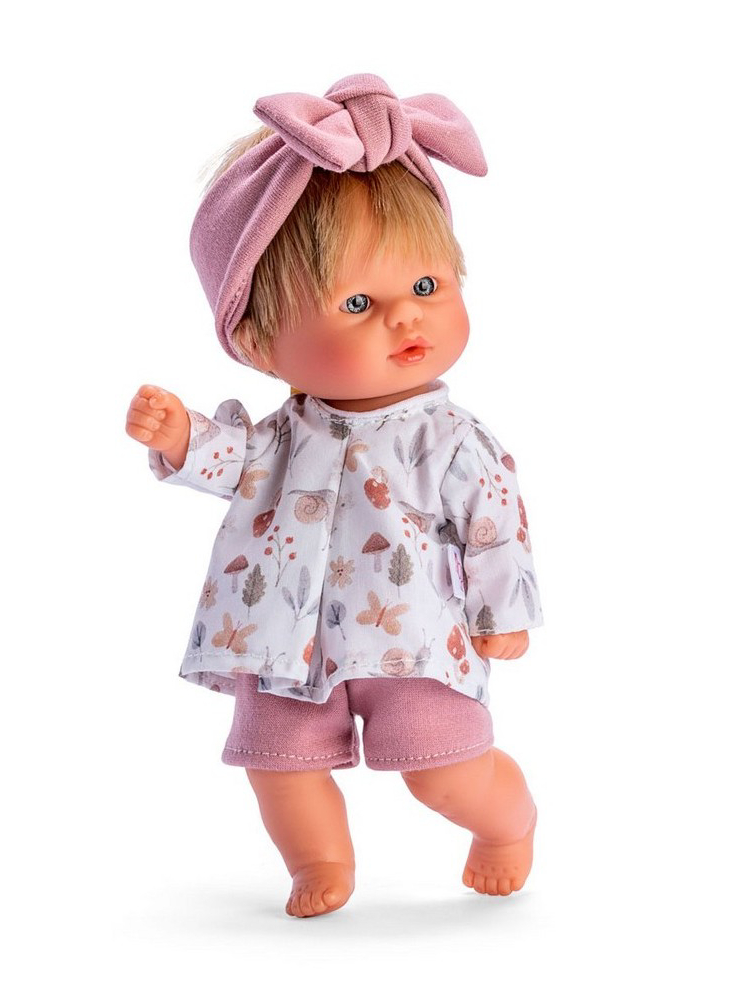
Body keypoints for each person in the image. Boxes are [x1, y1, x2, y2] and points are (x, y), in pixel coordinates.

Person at [125, 74, 543, 918]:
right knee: (278, 767)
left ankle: (506, 825)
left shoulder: (449, 439)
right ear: (257, 342)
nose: (405, 318)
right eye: (358, 303)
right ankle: (318, 861)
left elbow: (496, 527)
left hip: (416, 638)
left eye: (426, 288)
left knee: (443, 769)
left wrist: (503, 614)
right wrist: (179, 437)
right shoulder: (282, 437)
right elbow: (233, 461)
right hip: (280, 639)